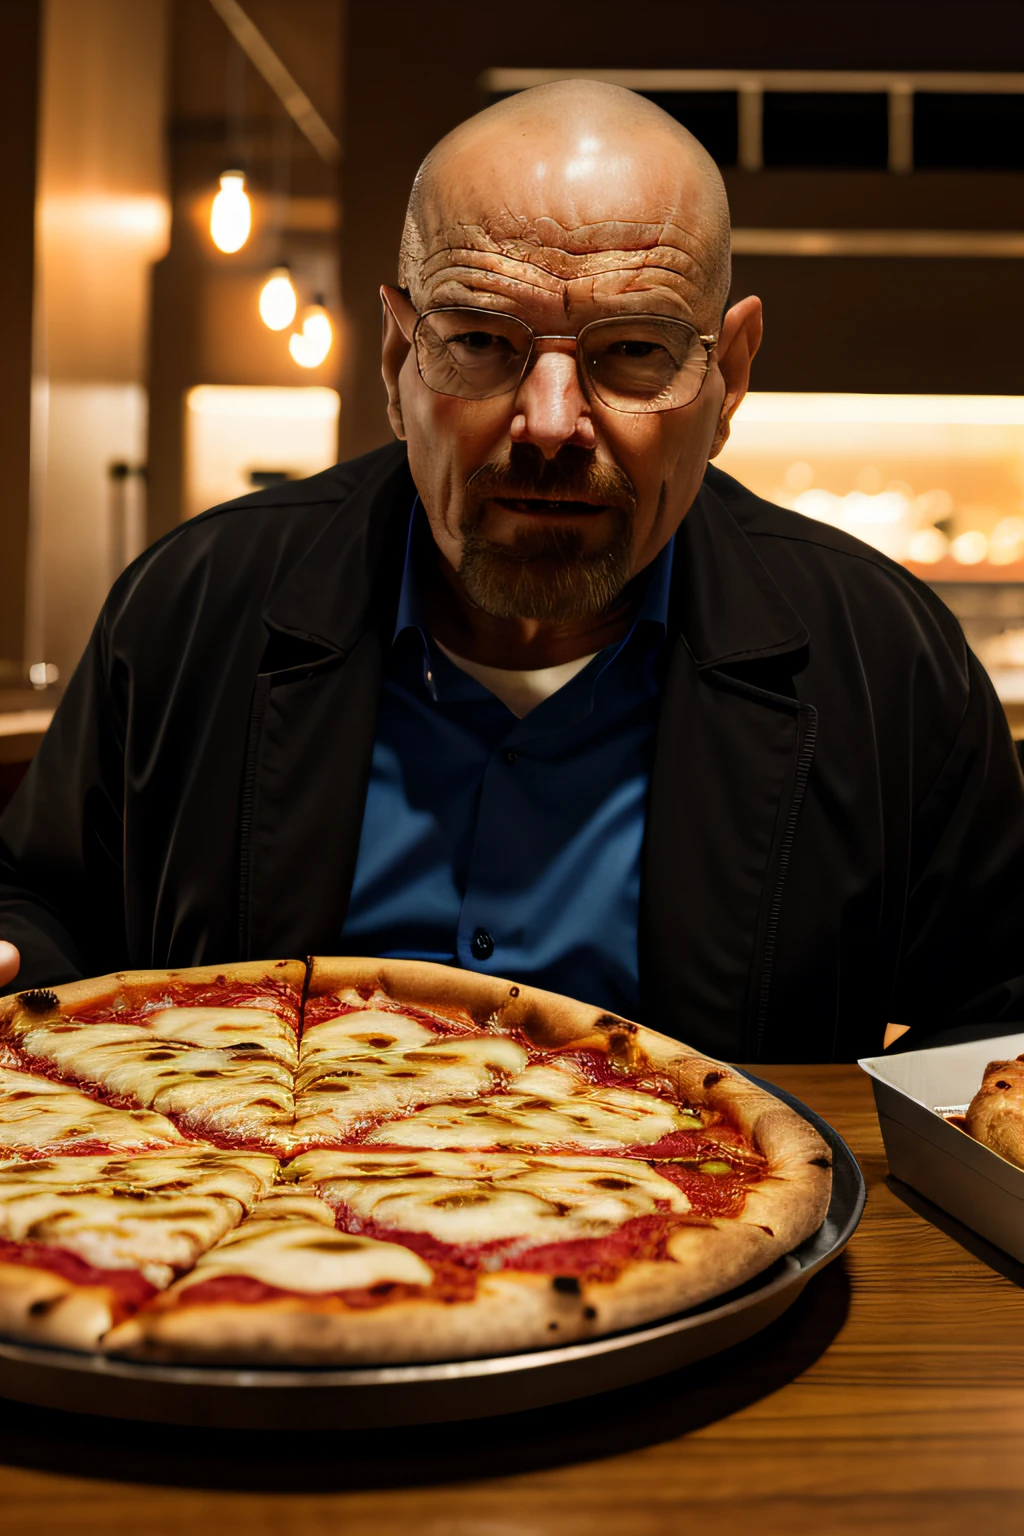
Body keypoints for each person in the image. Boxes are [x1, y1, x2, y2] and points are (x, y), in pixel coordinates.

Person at [1, 81, 1022, 1063]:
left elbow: (996, 1010)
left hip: (723, 1220)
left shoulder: (884, 660)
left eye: (631, 350)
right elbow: (41, 902)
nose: (547, 424)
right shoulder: (192, 607)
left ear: (730, 377)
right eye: (483, 342)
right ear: (399, 360)